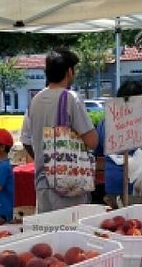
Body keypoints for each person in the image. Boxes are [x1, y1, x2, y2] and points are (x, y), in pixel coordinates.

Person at [21, 48, 98, 213]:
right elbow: (92, 141)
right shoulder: (71, 98)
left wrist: (45, 158)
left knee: (48, 234)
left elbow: (26, 140)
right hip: (69, 186)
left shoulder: (35, 100)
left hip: (42, 183)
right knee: (70, 236)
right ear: (69, 71)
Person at [94, 80, 142, 208]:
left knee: (117, 222)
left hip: (111, 184)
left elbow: (98, 150)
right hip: (137, 187)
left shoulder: (104, 123)